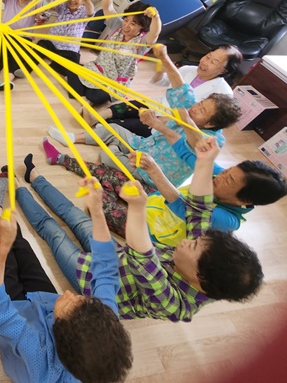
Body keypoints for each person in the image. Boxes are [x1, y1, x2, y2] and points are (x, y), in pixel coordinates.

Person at [17, 141, 264, 323]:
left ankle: (18, 189)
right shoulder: (206, 259)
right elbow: (198, 209)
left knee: (53, 233)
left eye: (193, 246)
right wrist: (205, 162)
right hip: (114, 255)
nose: (187, 241)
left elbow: (143, 259)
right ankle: (36, 178)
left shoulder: (175, 306)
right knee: (75, 216)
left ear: (200, 278)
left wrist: (137, 207)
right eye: (196, 240)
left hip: (91, 279)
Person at [0, 176, 133, 383]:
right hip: (43, 299)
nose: (68, 293)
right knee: (22, 248)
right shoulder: (104, 321)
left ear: (56, 333)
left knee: (5, 258)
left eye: (66, 304)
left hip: (18, 314)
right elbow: (106, 268)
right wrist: (97, 210)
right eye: (79, 298)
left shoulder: (40, 360)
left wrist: (2, 247)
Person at [43, 136, 286, 242]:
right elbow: (187, 153)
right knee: (115, 176)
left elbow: (183, 208)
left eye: (229, 180)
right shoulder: (219, 176)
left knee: (98, 201)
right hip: (156, 200)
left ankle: (104, 198)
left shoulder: (227, 221)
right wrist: (159, 125)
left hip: (149, 230)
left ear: (243, 201)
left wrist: (154, 170)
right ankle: (62, 159)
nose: (220, 176)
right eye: (226, 171)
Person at [48, 73, 241, 188]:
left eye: (203, 110)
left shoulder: (210, 142)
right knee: (113, 128)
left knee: (107, 155)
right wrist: (163, 57)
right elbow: (178, 90)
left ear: (210, 124)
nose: (196, 108)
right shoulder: (189, 110)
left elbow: (184, 138)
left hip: (148, 173)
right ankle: (72, 138)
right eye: (200, 103)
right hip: (143, 146)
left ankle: (113, 149)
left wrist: (160, 123)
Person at [85, 43, 242, 137]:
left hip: (173, 123)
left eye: (214, 62)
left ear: (224, 70)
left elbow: (197, 121)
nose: (206, 62)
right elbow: (160, 82)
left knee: (129, 125)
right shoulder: (188, 69)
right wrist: (161, 70)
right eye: (208, 56)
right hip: (158, 105)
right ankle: (95, 117)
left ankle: (101, 128)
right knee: (130, 105)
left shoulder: (223, 94)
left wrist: (162, 121)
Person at [66, 0, 162, 104]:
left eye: (133, 24)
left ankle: (86, 94)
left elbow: (155, 33)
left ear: (142, 27)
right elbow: (108, 8)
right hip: (96, 70)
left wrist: (155, 17)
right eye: (126, 20)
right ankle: (84, 94)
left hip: (112, 83)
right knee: (70, 67)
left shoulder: (142, 42)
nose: (126, 25)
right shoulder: (118, 26)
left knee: (96, 96)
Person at [37, 0, 95, 77]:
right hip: (52, 43)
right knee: (39, 46)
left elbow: (91, 12)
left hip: (68, 48)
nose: (72, 0)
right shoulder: (63, 6)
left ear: (83, 0)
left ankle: (57, 63)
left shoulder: (84, 11)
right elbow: (52, 5)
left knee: (70, 65)